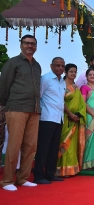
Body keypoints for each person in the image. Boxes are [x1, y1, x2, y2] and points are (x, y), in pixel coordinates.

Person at [0, 35, 41, 191]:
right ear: (21, 45)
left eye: (32, 44)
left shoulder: (37, 66)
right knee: (14, 145)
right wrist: (5, 104)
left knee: (30, 146)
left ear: (36, 47)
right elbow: (4, 86)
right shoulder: (13, 63)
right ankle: (7, 181)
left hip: (34, 109)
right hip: (16, 108)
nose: (30, 46)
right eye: (27, 43)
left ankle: (23, 178)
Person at [33, 57, 66, 184]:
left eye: (62, 66)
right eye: (57, 65)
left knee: (53, 148)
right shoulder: (46, 79)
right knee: (43, 148)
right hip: (46, 118)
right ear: (51, 66)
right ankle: (38, 175)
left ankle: (50, 174)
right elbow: (38, 97)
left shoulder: (62, 82)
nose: (60, 68)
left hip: (59, 119)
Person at [56, 64, 86, 177]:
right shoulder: (62, 86)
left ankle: (71, 169)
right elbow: (60, 101)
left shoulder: (76, 87)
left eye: (75, 72)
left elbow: (82, 104)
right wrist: (70, 114)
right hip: (65, 118)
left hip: (75, 120)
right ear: (66, 72)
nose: (73, 74)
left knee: (72, 145)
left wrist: (78, 114)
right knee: (64, 142)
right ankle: (61, 170)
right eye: (71, 72)